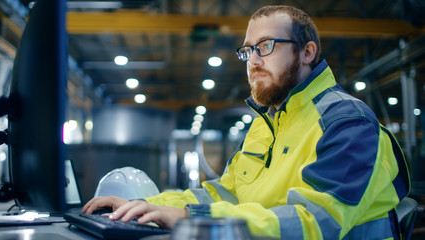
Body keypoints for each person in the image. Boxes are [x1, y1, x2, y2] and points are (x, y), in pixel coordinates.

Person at [82, 5, 410, 239]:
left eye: (265, 47)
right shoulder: (263, 127)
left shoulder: (347, 123)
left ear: (307, 52)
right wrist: (142, 207)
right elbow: (224, 195)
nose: (252, 61)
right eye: (248, 51)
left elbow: (315, 223)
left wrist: (189, 217)